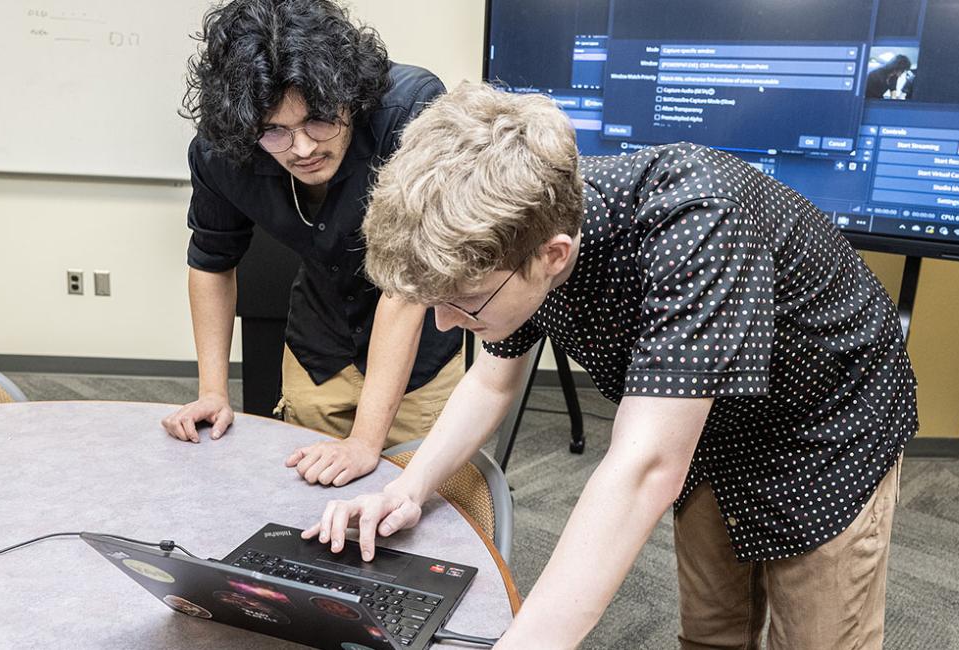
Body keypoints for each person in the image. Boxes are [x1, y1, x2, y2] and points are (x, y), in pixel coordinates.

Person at [304, 83, 918, 648]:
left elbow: (645, 466)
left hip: (823, 427)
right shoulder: (525, 227)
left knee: (813, 637)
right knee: (710, 630)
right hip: (706, 427)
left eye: (462, 303)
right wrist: (408, 487)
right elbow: (492, 380)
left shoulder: (693, 221)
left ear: (552, 255)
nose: (441, 324)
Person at [160, 0, 463, 487]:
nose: (302, 148)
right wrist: (213, 392)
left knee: (423, 500)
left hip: (418, 345)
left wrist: (365, 442)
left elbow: (406, 285)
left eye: (319, 121)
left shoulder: (410, 112)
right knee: (308, 499)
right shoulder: (223, 147)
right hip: (319, 344)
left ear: (350, 96)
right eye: (275, 131)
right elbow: (212, 262)